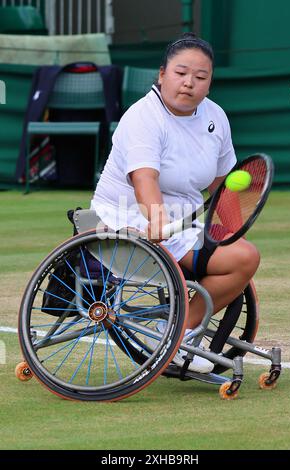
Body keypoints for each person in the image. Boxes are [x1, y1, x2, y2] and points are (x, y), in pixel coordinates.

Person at [91, 33, 260, 373]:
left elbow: (222, 183)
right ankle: (177, 333)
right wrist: (157, 223)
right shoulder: (143, 117)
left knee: (243, 254)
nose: (189, 83)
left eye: (201, 77)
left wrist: (230, 228)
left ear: (210, 83)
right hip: (131, 220)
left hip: (185, 223)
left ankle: (176, 329)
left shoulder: (215, 117)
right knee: (243, 259)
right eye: (181, 73)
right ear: (162, 75)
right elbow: (144, 179)